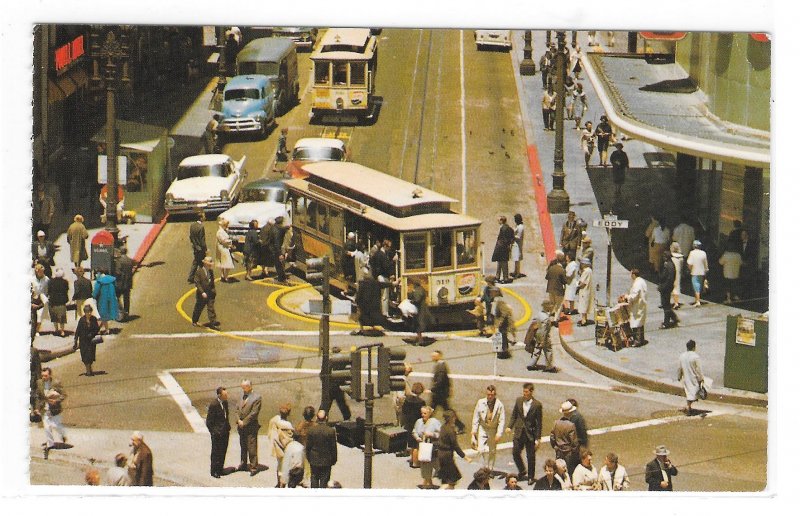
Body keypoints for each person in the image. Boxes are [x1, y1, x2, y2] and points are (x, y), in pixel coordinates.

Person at [506, 382, 543, 485]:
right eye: (524, 391)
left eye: (526, 392)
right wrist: (510, 426)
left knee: (530, 456)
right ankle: (522, 470)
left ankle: (531, 476)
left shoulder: (537, 405)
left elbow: (539, 423)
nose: (524, 394)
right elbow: (514, 415)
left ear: (531, 392)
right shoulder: (518, 401)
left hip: (530, 433)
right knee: (515, 452)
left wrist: (538, 438)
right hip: (519, 431)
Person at [471, 385, 506, 474]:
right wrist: (474, 431)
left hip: (493, 429)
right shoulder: (480, 402)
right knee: (480, 449)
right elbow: (476, 417)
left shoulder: (499, 405)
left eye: (492, 395)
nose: (490, 397)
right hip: (483, 427)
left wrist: (499, 433)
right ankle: (484, 468)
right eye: (488, 395)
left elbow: (501, 420)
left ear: (495, 395)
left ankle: (490, 469)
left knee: (492, 451)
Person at [34, 367, 66, 458]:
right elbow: (38, 397)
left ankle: (62, 434)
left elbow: (64, 395)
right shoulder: (39, 383)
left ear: (50, 375)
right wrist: (37, 408)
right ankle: (50, 444)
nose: (44, 377)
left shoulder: (56, 383)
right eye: (42, 376)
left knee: (56, 426)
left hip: (55, 409)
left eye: (46, 376)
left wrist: (56, 401)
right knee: (47, 427)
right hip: (45, 409)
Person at [430, 350, 465, 433]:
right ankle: (460, 425)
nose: (432, 358)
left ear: (439, 356)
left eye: (434, 356)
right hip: (440, 394)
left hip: (439, 394)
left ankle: (425, 425)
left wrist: (432, 389)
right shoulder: (441, 365)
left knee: (431, 410)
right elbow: (447, 380)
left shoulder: (441, 366)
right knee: (440, 410)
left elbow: (440, 380)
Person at [306, 410, 338, 488]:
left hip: (314, 459)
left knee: (314, 478)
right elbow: (333, 447)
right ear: (326, 418)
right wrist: (334, 459)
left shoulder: (311, 430)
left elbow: (308, 446)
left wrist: (309, 458)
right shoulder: (330, 431)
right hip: (326, 460)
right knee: (324, 480)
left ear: (317, 418)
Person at [436, 410, 468, 489]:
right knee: (452, 479)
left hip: (440, 454)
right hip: (447, 456)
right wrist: (465, 457)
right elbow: (455, 446)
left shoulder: (443, 427)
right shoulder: (451, 430)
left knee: (445, 478)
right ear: (451, 418)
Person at [236, 379, 262, 476]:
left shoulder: (257, 398)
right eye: (242, 387)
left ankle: (253, 467)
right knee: (243, 446)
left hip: (251, 426)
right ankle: (243, 464)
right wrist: (238, 420)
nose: (243, 389)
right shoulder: (240, 396)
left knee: (252, 447)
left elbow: (254, 413)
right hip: (241, 426)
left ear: (250, 386)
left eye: (245, 387)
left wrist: (244, 422)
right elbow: (237, 409)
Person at [412, 405, 441, 488]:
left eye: (425, 413)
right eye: (422, 413)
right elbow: (414, 431)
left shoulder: (434, 422)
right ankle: (427, 483)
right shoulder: (419, 421)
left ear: (429, 414)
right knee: (425, 465)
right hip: (423, 448)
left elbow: (441, 434)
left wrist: (432, 434)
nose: (423, 415)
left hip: (433, 448)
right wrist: (417, 438)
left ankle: (432, 483)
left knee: (437, 465)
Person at [206, 386, 230, 478]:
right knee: (216, 452)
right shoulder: (214, 405)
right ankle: (214, 471)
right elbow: (209, 421)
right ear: (219, 395)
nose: (226, 396)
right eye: (225, 395)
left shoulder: (225, 403)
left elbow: (226, 416)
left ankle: (220, 469)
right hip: (217, 434)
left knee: (223, 452)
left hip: (225, 432)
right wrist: (214, 432)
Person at [550, 401, 580, 475]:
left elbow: (552, 437)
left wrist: (555, 447)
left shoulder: (556, 423)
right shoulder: (571, 425)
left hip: (558, 451)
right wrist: (574, 452)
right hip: (568, 452)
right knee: (569, 472)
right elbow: (574, 442)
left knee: (558, 469)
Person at [268, 403, 294, 487]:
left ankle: (278, 482)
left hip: (277, 447)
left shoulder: (275, 420)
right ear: (289, 413)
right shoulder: (288, 425)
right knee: (286, 466)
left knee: (279, 465)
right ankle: (283, 483)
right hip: (285, 448)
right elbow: (290, 438)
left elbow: (270, 432)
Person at [525, 300, 556, 372]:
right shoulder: (546, 318)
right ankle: (549, 367)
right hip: (543, 337)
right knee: (548, 350)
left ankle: (531, 364)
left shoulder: (539, 314)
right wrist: (543, 340)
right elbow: (544, 331)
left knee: (537, 350)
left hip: (537, 335)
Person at [677, 340, 705, 415]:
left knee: (689, 392)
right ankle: (688, 406)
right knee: (693, 393)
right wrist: (701, 378)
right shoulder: (696, 357)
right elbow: (698, 369)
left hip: (686, 378)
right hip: (694, 378)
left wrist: (679, 376)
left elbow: (679, 368)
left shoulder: (682, 356)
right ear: (694, 347)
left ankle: (688, 406)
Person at [403, 382, 426, 467]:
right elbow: (422, 413)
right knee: (416, 444)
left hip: (408, 424)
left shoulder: (407, 399)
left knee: (412, 444)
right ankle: (415, 462)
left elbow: (404, 411)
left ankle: (412, 458)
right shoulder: (421, 402)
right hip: (417, 424)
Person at [192, 256, 220, 328]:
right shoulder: (199, 272)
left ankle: (213, 322)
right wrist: (202, 292)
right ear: (205, 264)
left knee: (211, 308)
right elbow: (197, 283)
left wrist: (213, 290)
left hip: (210, 293)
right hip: (202, 294)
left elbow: (212, 282)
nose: (210, 265)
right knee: (199, 307)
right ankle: (195, 320)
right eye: (209, 263)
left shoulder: (211, 272)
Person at [74, 304, 100, 376]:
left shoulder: (94, 319)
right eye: (87, 312)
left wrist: (92, 334)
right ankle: (88, 370)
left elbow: (97, 329)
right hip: (83, 341)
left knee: (91, 356)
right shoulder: (82, 320)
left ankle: (89, 368)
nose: (88, 313)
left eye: (89, 312)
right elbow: (78, 331)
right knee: (85, 356)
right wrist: (75, 341)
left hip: (91, 341)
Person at [624, 269, 648, 347]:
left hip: (637, 306)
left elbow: (634, 295)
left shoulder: (637, 283)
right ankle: (641, 339)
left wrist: (627, 297)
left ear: (634, 275)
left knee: (636, 323)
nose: (630, 276)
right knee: (640, 323)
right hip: (642, 305)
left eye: (631, 274)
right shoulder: (642, 281)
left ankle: (637, 341)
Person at [407, 277, 434, 345]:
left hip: (419, 310)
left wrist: (412, 301)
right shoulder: (421, 289)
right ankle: (419, 338)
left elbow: (417, 299)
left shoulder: (417, 290)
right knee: (418, 325)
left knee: (418, 325)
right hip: (421, 309)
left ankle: (420, 340)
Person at [659, 251, 680, 329]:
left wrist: (663, 286)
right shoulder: (668, 264)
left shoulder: (669, 265)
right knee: (665, 304)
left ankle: (666, 322)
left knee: (665, 305)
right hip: (666, 287)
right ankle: (674, 318)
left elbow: (669, 278)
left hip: (666, 288)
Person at [92, 271, 118, 335]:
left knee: (99, 315)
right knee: (105, 316)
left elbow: (96, 292)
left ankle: (98, 330)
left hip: (102, 300)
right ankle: (106, 329)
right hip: (110, 299)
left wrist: (93, 296)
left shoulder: (99, 281)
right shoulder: (111, 280)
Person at [719, 237, 743, 304]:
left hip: (727, 273)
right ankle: (736, 296)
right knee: (735, 285)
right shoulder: (738, 255)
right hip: (736, 273)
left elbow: (720, 262)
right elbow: (741, 263)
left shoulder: (726, 255)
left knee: (728, 286)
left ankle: (728, 298)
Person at [492, 216, 515, 283]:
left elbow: (503, 239)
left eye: (499, 220)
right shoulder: (508, 228)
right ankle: (498, 276)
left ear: (501, 221)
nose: (498, 221)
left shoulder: (503, 228)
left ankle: (505, 278)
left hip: (502, 248)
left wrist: (501, 245)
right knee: (500, 263)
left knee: (503, 263)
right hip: (504, 248)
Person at [114, 246, 134, 321]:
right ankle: (126, 312)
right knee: (126, 298)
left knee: (116, 297)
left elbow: (118, 272)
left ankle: (120, 311)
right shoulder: (130, 260)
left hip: (120, 283)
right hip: (128, 282)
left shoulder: (119, 261)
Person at [686, 240, 709, 307]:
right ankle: (698, 300)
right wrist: (706, 270)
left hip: (694, 272)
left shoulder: (692, 253)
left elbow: (689, 263)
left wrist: (690, 269)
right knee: (699, 286)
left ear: (694, 246)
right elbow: (705, 263)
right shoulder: (703, 253)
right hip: (702, 272)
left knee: (696, 287)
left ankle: (698, 301)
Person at [47, 268, 69, 337]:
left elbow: (49, 291)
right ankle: (62, 331)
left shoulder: (51, 281)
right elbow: (66, 290)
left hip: (53, 301)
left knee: (54, 317)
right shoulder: (65, 282)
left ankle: (56, 329)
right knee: (62, 317)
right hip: (62, 302)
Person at [187, 209, 207, 283]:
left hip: (195, 248)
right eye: (204, 216)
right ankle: (202, 277)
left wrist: (194, 245)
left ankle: (191, 277)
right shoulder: (201, 227)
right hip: (200, 249)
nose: (205, 218)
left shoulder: (192, 226)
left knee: (196, 262)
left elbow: (191, 237)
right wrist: (205, 249)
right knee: (202, 263)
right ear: (201, 218)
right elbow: (202, 240)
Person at [545, 251, 567, 317]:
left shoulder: (551, 268)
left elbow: (547, 277)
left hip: (550, 288)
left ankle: (550, 313)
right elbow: (564, 281)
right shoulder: (562, 270)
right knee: (559, 305)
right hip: (558, 290)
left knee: (552, 303)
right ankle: (556, 319)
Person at [31, 264, 49, 336]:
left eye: (42, 271)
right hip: (34, 298)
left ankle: (37, 330)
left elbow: (47, 290)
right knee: (33, 316)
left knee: (40, 316)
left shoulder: (46, 279)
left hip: (43, 298)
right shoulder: (32, 279)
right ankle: (33, 329)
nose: (41, 273)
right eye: (39, 271)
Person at [576, 258, 595, 326]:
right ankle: (585, 319)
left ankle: (583, 321)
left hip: (584, 290)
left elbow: (583, 282)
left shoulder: (586, 271)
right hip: (587, 290)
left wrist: (578, 286)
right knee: (585, 305)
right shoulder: (589, 271)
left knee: (583, 306)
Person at [216, 218, 234, 282]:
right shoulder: (220, 232)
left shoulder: (223, 231)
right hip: (223, 248)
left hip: (223, 247)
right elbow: (224, 241)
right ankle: (225, 276)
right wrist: (231, 243)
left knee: (222, 262)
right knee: (227, 262)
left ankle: (223, 275)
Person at [670, 242, 684, 309]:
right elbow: (681, 266)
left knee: (671, 287)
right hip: (678, 272)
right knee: (677, 287)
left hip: (671, 273)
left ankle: (674, 303)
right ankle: (676, 302)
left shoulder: (670, 256)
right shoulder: (681, 257)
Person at [511, 214, 525, 279]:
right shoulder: (518, 226)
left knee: (517, 259)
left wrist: (512, 236)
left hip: (518, 244)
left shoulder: (520, 227)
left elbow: (519, 236)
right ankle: (515, 271)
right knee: (515, 258)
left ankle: (518, 273)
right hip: (515, 244)